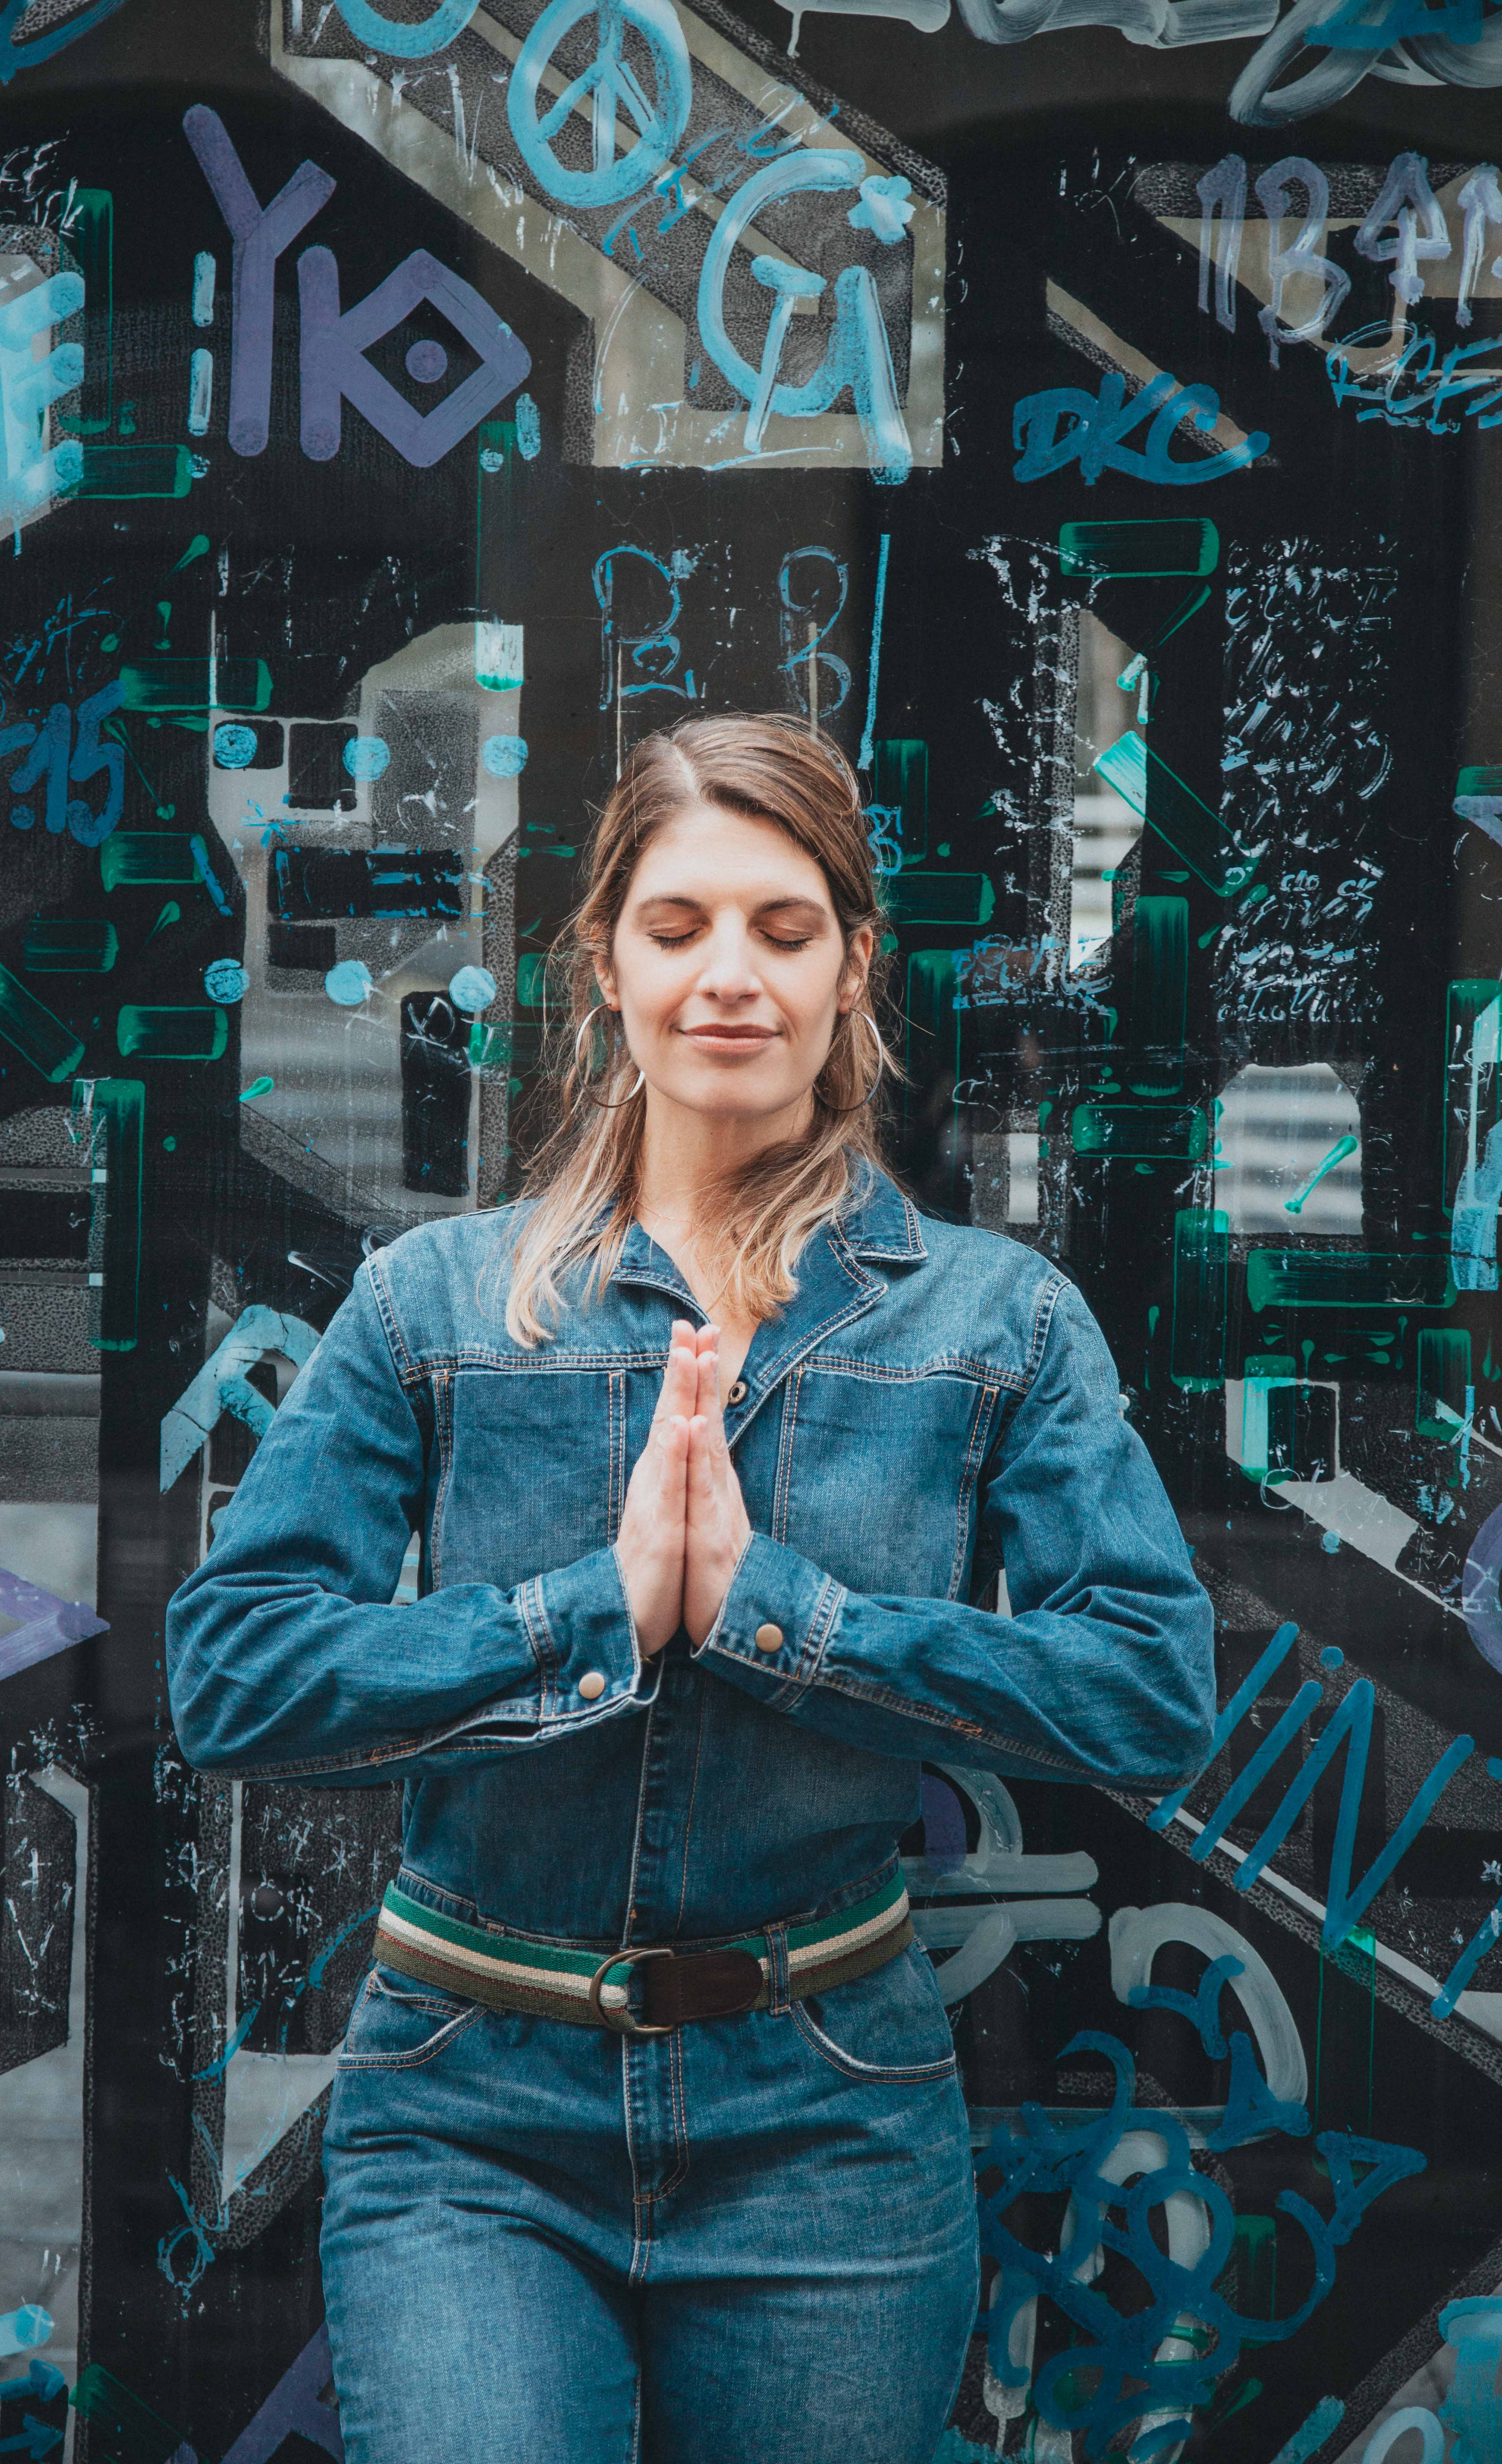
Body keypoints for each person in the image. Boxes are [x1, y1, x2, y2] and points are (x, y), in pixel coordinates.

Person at [165, 712, 1217, 2464]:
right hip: (470, 2115)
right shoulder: (436, 1302)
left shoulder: (995, 1322)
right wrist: (594, 1612)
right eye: (678, 926)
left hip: (831, 2120)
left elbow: (1149, 1691)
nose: (729, 974)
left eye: (783, 929)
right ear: (605, 961)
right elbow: (234, 1676)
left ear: (853, 966)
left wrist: (777, 1619)